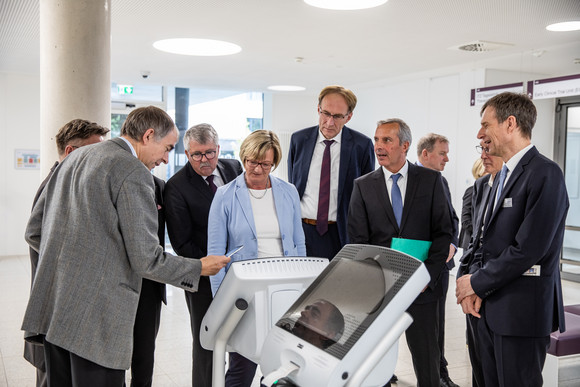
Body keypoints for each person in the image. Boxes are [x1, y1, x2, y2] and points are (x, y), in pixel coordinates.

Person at [22, 106, 229, 387]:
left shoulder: (75, 158)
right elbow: (146, 259)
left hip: (56, 316)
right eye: (167, 147)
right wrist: (200, 267)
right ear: (148, 135)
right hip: (96, 325)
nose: (166, 158)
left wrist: (77, 265)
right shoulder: (133, 172)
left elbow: (34, 231)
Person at [456, 92, 569, 387]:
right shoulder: (500, 176)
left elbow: (528, 249)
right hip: (485, 307)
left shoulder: (546, 174)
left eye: (485, 125)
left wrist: (476, 283)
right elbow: (481, 241)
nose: (480, 134)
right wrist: (467, 283)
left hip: (520, 312)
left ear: (510, 124)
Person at [348, 119, 452, 387]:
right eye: (376, 140)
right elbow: (358, 241)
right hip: (380, 289)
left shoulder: (430, 181)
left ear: (405, 145)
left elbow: (443, 233)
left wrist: (426, 277)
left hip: (422, 288)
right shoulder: (363, 185)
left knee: (427, 360)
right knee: (377, 360)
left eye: (386, 140)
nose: (378, 147)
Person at [208, 129, 306, 387]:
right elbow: (216, 254)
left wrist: (304, 290)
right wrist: (221, 303)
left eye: (266, 164)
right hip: (246, 292)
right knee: (242, 363)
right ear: (243, 158)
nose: (259, 169)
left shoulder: (288, 192)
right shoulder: (225, 195)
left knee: (279, 363)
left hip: (284, 289)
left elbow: (299, 242)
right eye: (253, 162)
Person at [24, 118, 109, 387]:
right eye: (94, 151)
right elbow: (34, 233)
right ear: (71, 152)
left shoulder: (68, 181)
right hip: (53, 302)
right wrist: (74, 261)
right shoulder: (55, 183)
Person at [164, 123, 242, 387]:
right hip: (204, 277)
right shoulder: (176, 187)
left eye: (210, 152)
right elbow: (182, 243)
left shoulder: (234, 169)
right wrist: (214, 266)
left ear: (218, 149)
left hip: (241, 271)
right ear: (186, 154)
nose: (204, 160)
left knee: (241, 340)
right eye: (197, 155)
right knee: (207, 343)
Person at [288, 85, 374, 259]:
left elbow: (367, 196)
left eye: (337, 116)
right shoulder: (299, 140)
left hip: (341, 233)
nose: (329, 122)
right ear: (318, 109)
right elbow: (293, 184)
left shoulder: (362, 145)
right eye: (326, 113)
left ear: (348, 117)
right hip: (303, 230)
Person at [457, 146, 502, 387]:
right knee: (479, 365)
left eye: (488, 149)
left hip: (494, 279)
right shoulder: (478, 188)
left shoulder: (542, 177)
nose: (483, 155)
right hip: (475, 266)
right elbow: (470, 226)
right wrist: (466, 279)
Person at [416, 133, 459, 387]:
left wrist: (452, 244)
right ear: (425, 154)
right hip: (418, 264)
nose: (447, 158)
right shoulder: (412, 181)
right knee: (424, 329)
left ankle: (440, 374)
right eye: (442, 153)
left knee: (437, 324)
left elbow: (450, 220)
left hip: (440, 266)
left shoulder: (439, 181)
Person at [130, 174, 166, 387]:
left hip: (150, 285)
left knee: (145, 354)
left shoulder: (158, 185)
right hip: (117, 283)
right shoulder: (113, 178)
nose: (165, 158)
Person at [458, 157, 485, 250]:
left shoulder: (494, 190)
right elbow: (466, 221)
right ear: (480, 173)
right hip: (472, 243)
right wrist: (484, 230)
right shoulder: (471, 191)